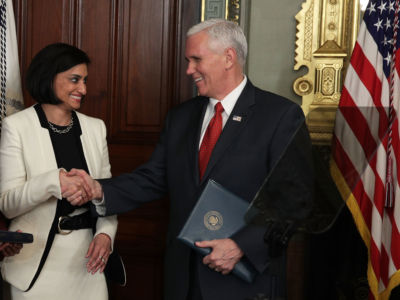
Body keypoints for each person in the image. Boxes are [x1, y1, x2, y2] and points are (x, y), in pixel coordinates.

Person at [68, 19, 313, 300]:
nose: (188, 70)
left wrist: (241, 245)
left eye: (196, 60)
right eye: (188, 60)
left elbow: (296, 200)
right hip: (183, 278)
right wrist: (99, 190)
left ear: (228, 58)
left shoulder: (280, 116)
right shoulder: (181, 117)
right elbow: (154, 178)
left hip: (242, 282)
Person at [0, 43, 118, 300]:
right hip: (35, 266)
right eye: (74, 80)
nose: (83, 89)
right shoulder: (16, 127)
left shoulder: (96, 128)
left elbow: (108, 196)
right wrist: (54, 182)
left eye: (85, 81)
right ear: (48, 77)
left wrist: (106, 235)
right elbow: (8, 205)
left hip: (88, 265)